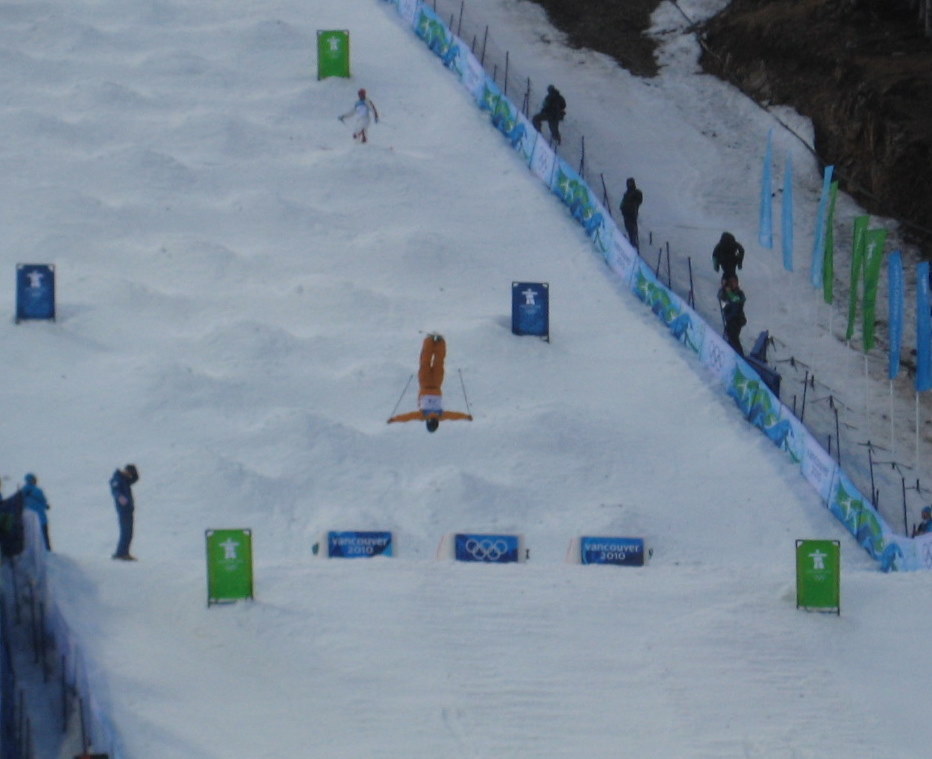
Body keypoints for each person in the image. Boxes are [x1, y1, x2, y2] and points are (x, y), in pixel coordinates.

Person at [387, 334, 472, 432]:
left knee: (438, 362)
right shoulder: (423, 415)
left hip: (436, 383)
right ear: (428, 422)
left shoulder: (441, 415)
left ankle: (439, 342)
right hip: (425, 383)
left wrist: (466, 417)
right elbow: (408, 417)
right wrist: (394, 420)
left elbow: (454, 416)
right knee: (425, 362)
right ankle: (430, 340)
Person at [110, 464, 139, 560]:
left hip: (128, 509)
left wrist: (135, 474)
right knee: (126, 532)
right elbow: (115, 491)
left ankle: (124, 552)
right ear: (125, 471)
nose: (129, 476)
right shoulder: (117, 479)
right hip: (123, 510)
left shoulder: (125, 480)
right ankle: (121, 553)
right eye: (129, 473)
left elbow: (134, 480)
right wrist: (120, 498)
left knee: (129, 532)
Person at [718, 275, 747, 357]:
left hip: (737, 320)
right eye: (732, 282)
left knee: (733, 337)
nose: (735, 283)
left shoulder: (740, 293)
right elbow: (720, 296)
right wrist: (725, 287)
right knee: (729, 337)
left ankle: (740, 356)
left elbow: (737, 300)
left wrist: (729, 292)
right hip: (729, 320)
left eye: (735, 281)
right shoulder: (725, 293)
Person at [22, 473, 51, 551]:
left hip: (28, 520)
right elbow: (44, 502)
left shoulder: (22, 492)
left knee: (32, 537)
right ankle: (47, 551)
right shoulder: (38, 490)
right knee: (44, 536)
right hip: (41, 518)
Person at [619, 177, 643, 251]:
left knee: (633, 230)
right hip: (627, 215)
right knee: (629, 229)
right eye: (628, 183)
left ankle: (634, 245)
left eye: (631, 183)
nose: (629, 185)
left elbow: (639, 200)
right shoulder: (626, 194)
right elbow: (622, 205)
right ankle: (631, 244)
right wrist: (623, 209)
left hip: (632, 215)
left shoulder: (637, 192)